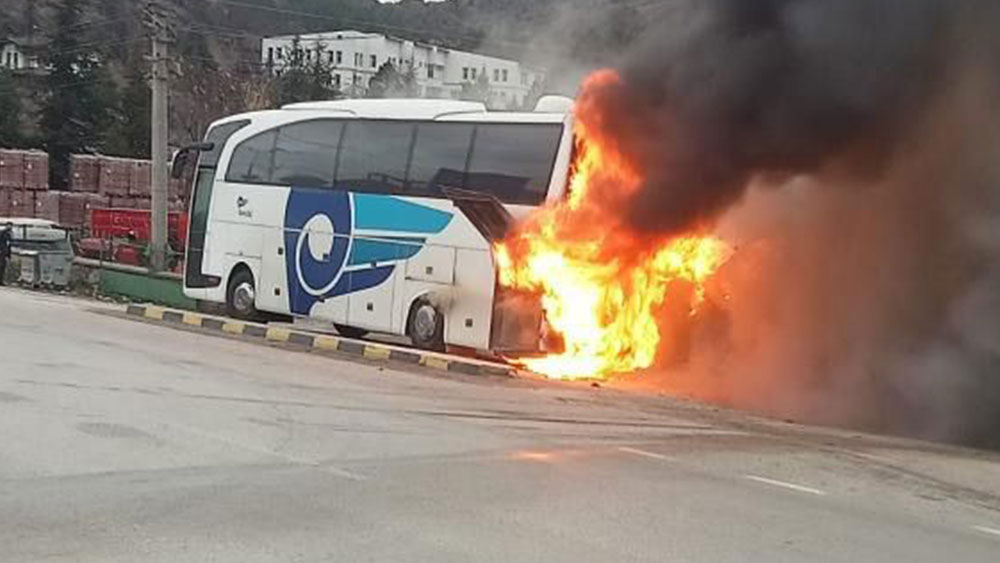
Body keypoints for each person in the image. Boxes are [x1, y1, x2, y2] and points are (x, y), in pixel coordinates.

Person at [0, 222, 12, 286]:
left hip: (5, 252)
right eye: (8, 226)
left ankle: (1, 280)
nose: (10, 227)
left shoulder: (9, 234)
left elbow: (9, 245)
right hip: (1, 252)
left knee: (3, 266)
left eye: (11, 226)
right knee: (1, 265)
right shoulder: (2, 233)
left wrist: (9, 255)